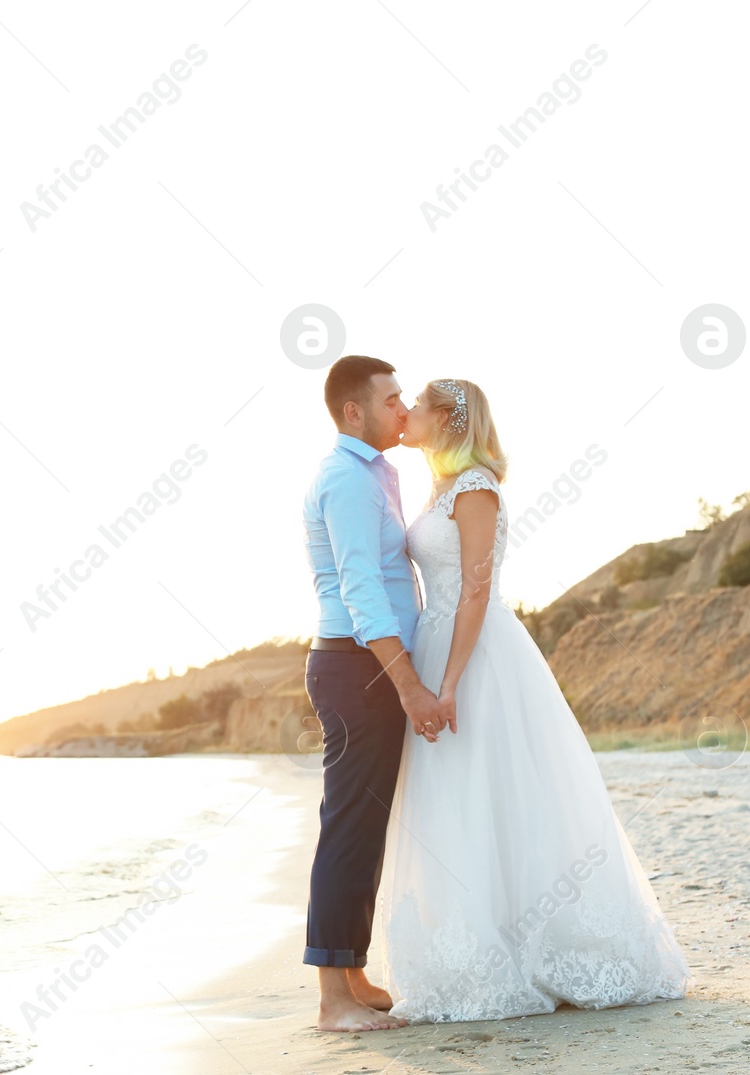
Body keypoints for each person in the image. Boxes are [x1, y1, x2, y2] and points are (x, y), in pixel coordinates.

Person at [373, 377, 694, 1022]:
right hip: (437, 645)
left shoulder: (476, 489)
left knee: (505, 791)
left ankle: (544, 949)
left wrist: (452, 681)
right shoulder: (438, 487)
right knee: (458, 798)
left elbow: (473, 592)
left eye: (417, 406)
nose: (405, 413)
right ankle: (475, 943)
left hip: (477, 656)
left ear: (447, 419)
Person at [300, 355, 444, 1032]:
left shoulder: (376, 473)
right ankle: (332, 1000)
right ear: (354, 410)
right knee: (349, 825)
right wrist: (409, 685)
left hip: (365, 666)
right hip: (359, 669)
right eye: (391, 399)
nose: (402, 408)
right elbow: (362, 593)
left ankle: (351, 972)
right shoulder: (348, 482)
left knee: (364, 823)